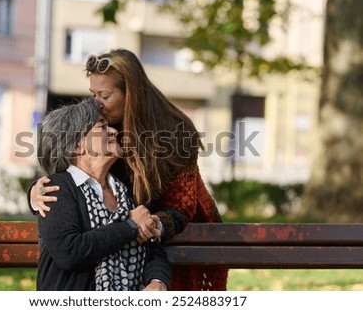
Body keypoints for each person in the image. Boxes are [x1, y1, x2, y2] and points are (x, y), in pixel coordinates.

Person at [31, 48, 228, 290]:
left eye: (105, 95)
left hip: (175, 233)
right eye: (93, 94)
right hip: (126, 231)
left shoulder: (175, 131)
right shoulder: (106, 130)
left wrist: (151, 225)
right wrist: (37, 191)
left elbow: (182, 206)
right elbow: (75, 171)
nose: (97, 105)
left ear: (130, 94)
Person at [36, 98, 171, 291]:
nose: (114, 131)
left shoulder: (125, 191)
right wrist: (130, 226)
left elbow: (153, 250)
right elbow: (70, 252)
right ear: (76, 146)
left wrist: (158, 282)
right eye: (102, 126)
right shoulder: (56, 188)